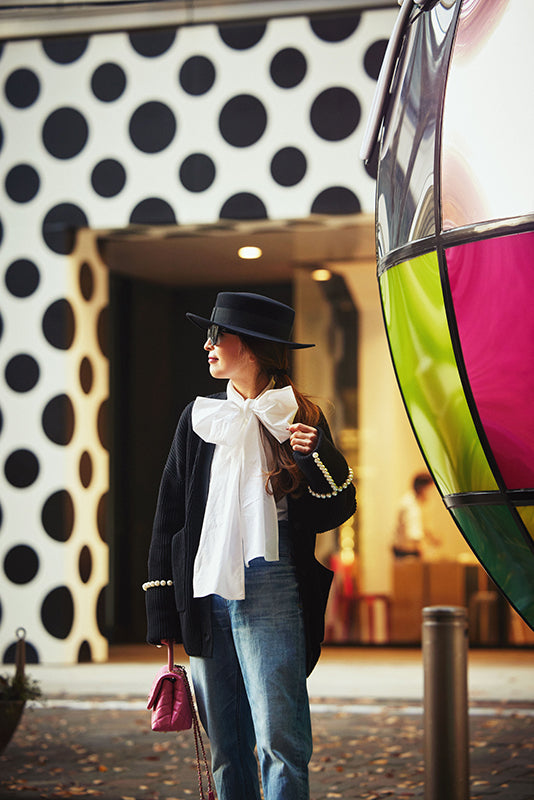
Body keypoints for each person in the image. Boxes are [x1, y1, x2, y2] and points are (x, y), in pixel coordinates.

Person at [144, 291, 356, 800]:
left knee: (279, 739)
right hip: (207, 584)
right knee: (225, 742)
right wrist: (163, 610)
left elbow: (337, 507)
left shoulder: (297, 418)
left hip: (272, 583)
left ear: (254, 347)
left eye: (218, 335)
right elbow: (170, 514)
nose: (207, 345)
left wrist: (313, 456)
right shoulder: (199, 418)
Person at [392, 472, 440, 559]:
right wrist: (424, 551)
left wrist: (432, 537)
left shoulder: (416, 502)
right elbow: (413, 533)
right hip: (406, 553)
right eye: (430, 490)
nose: (432, 493)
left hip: (407, 551)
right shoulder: (411, 505)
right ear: (422, 488)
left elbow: (423, 527)